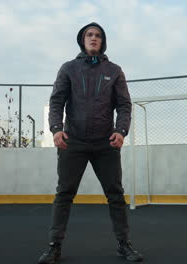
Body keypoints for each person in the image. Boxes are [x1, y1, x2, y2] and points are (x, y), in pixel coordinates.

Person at [38, 22, 143, 263]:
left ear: (102, 41)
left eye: (97, 35)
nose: (93, 38)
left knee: (115, 194)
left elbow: (124, 105)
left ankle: (124, 244)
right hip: (72, 142)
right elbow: (57, 101)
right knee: (64, 194)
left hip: (105, 143)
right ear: (82, 40)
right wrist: (56, 129)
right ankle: (54, 246)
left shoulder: (115, 70)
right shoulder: (68, 68)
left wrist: (121, 131)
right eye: (89, 35)